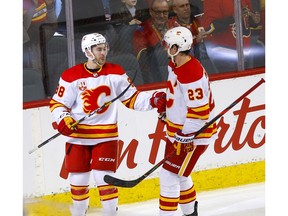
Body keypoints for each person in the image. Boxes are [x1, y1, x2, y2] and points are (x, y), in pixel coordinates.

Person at [49, 32, 166, 216]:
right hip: (78, 138)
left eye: (104, 49)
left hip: (106, 137)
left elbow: (133, 99)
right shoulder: (71, 76)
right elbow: (58, 104)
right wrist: (63, 119)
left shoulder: (116, 72)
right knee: (78, 183)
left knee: (104, 181)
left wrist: (153, 99)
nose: (103, 53)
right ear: (88, 51)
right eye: (98, 49)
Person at [159, 26, 218, 216]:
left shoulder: (191, 73)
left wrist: (186, 137)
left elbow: (200, 112)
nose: (165, 47)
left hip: (193, 135)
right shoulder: (176, 65)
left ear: (176, 48)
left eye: (167, 45)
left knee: (169, 175)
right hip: (179, 132)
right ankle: (191, 213)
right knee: (180, 173)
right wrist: (166, 110)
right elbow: (180, 98)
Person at [200, 0, 262, 73]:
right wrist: (233, 18)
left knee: (248, 81)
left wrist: (254, 20)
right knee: (231, 82)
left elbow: (245, 22)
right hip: (224, 52)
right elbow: (209, 28)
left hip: (246, 50)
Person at [132, 0, 175, 83]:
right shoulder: (142, 30)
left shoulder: (173, 24)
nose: (162, 16)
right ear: (151, 12)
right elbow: (142, 57)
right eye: (158, 12)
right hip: (156, 74)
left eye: (165, 12)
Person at [170, 0, 218, 73]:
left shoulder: (199, 21)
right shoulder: (172, 26)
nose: (186, 8)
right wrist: (196, 40)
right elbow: (177, 50)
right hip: (185, 67)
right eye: (182, 6)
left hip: (206, 63)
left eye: (187, 5)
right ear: (175, 10)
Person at [23, 0, 58, 78]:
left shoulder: (42, 2)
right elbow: (23, 34)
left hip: (45, 38)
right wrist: (33, 7)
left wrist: (50, 6)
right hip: (29, 45)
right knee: (37, 73)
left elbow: (53, 25)